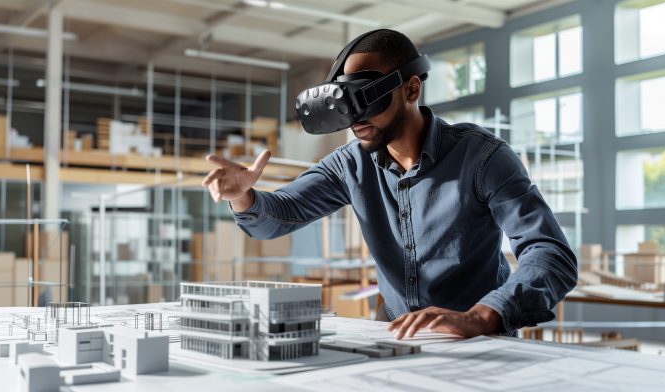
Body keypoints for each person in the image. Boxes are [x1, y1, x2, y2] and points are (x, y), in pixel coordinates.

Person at [202, 29, 577, 339]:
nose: (355, 118)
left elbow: (549, 253)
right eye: (347, 102)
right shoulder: (351, 164)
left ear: (411, 90)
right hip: (398, 337)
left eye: (367, 97)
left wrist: (485, 315)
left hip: (476, 338)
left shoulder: (481, 158)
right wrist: (242, 196)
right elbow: (278, 216)